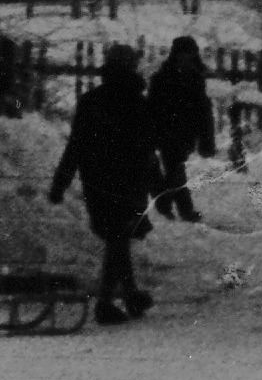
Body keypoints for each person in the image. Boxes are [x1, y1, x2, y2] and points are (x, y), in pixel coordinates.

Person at [48, 43, 170, 322]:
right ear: (132, 67)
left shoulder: (90, 100)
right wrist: (160, 189)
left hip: (97, 181)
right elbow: (147, 151)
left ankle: (130, 295)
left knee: (117, 239)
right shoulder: (138, 103)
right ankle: (105, 304)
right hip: (129, 182)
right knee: (119, 238)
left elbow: (75, 146)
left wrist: (61, 182)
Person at [148, 36, 216, 223]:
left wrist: (205, 139)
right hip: (166, 132)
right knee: (175, 170)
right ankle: (177, 208)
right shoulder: (162, 78)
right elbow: (152, 107)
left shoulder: (195, 79)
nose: (186, 58)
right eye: (183, 54)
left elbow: (203, 111)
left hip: (186, 134)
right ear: (176, 55)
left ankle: (168, 204)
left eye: (190, 55)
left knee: (175, 171)